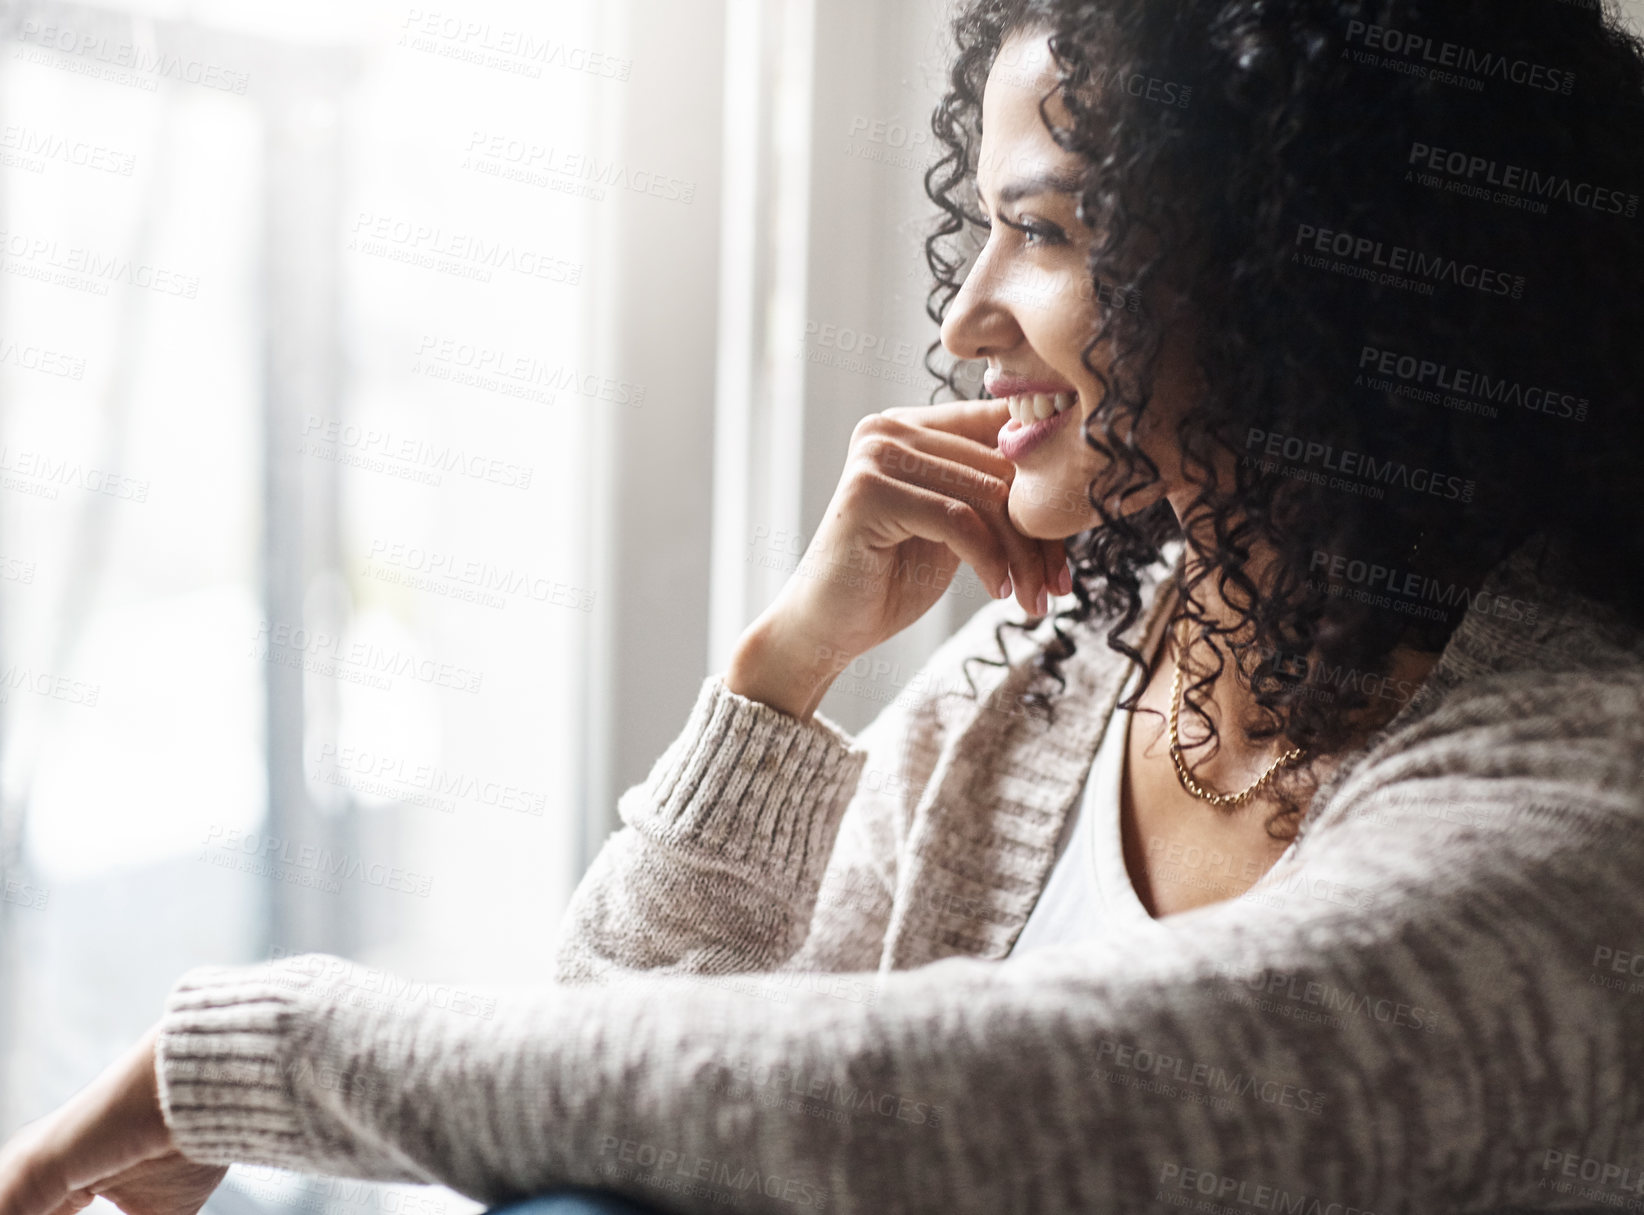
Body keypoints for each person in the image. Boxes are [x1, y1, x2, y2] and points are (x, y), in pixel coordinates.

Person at [5, 0, 1644, 1212]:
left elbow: (984, 1111)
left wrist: (286, 1057)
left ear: (1318, 270)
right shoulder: (1043, 687)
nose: (963, 322)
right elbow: (640, 1102)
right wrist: (781, 680)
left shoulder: (1585, 794)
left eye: (1045, 235)